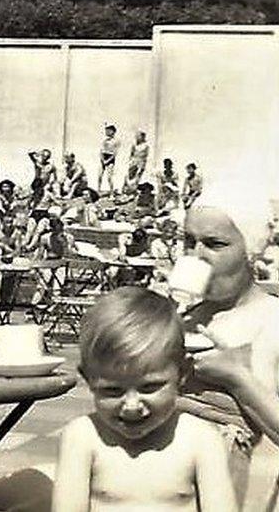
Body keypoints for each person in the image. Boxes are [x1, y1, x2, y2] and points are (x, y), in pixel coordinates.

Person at [53, 287, 237, 512]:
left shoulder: (201, 440)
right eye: (112, 390)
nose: (131, 406)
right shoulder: (83, 436)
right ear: (89, 380)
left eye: (149, 387)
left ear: (183, 373)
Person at [175, 182, 279, 509]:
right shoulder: (184, 316)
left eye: (214, 244)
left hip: (248, 493)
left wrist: (237, 378)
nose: (196, 256)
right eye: (188, 242)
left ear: (250, 250)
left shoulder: (272, 320)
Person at [98, 124, 120, 195]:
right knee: (99, 175)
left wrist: (107, 161)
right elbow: (101, 150)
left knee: (109, 177)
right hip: (103, 158)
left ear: (113, 131)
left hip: (110, 159)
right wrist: (102, 159)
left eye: (108, 131)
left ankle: (111, 193)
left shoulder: (116, 141)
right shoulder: (104, 140)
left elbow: (114, 153)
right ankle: (98, 191)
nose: (106, 132)